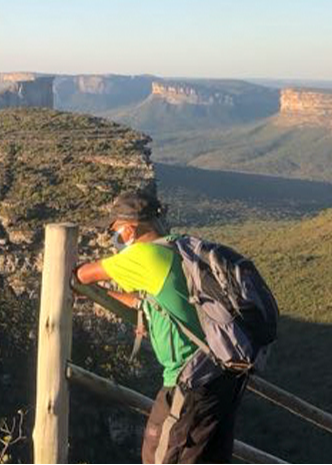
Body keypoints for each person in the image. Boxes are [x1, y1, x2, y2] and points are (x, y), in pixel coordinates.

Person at [75, 190, 247, 464]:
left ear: (129, 230)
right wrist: (99, 296)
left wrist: (78, 282)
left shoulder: (144, 256)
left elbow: (82, 274)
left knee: (162, 456)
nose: (113, 238)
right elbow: (151, 302)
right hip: (223, 379)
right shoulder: (178, 249)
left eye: (115, 230)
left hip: (189, 384)